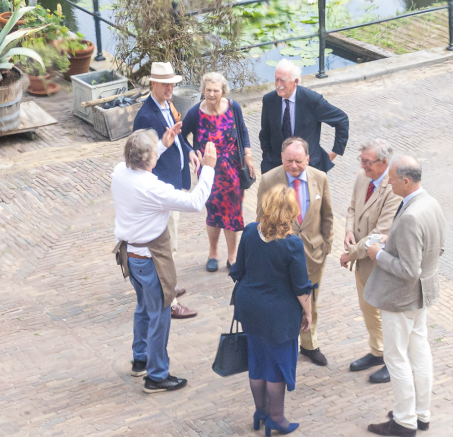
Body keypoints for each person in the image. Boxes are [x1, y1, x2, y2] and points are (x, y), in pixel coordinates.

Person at [111, 128, 216, 392]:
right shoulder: (152, 189)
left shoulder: (119, 172)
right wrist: (208, 169)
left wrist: (163, 145)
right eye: (156, 151)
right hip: (150, 259)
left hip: (129, 255)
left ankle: (140, 359)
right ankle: (157, 376)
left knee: (143, 307)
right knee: (160, 314)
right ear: (151, 159)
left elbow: (143, 159)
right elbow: (194, 202)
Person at [363, 156, 445, 437]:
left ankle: (404, 419)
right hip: (423, 292)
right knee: (419, 352)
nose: (388, 182)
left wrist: (379, 254)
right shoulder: (430, 203)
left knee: (396, 357)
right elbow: (436, 248)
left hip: (401, 297)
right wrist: (392, 241)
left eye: (393, 179)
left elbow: (408, 270)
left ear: (407, 181)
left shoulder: (410, 215)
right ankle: (421, 414)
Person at [230, 184, 313, 436]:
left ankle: (261, 413)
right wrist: (308, 313)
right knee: (277, 365)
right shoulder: (292, 244)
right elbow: (301, 288)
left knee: (257, 360)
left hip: (250, 308)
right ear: (292, 212)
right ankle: (277, 418)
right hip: (279, 314)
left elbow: (237, 271)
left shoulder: (250, 232)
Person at [254, 139, 335, 366]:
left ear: (307, 159)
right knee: (284, 301)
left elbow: (328, 215)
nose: (294, 165)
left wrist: (327, 245)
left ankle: (309, 345)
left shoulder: (320, 178)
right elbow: (260, 219)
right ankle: (282, 345)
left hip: (313, 254)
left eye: (299, 161)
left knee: (311, 301)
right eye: (289, 160)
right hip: (280, 256)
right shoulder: (269, 180)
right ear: (282, 158)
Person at [132, 60, 195, 318]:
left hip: (175, 183)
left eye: (172, 84)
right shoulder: (146, 116)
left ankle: (169, 284)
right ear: (154, 84)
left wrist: (189, 152)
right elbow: (142, 158)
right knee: (163, 246)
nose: (170, 88)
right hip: (161, 190)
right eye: (166, 84)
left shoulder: (167, 106)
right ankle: (167, 300)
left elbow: (177, 137)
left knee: (171, 241)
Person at [341, 139, 402, 383]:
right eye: (362, 161)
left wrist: (350, 253)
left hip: (380, 261)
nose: (363, 166)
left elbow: (380, 232)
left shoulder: (393, 189)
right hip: (362, 259)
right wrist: (347, 230)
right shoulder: (361, 177)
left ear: (384, 163)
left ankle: (392, 360)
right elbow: (352, 209)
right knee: (367, 307)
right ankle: (378, 351)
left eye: (368, 162)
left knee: (385, 313)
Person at [181, 71, 253, 273]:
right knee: (213, 211)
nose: (211, 94)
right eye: (208, 90)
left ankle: (232, 255)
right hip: (209, 170)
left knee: (232, 212)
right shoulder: (195, 112)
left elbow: (243, 131)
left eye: (215, 90)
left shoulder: (233, 108)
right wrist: (191, 153)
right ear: (203, 90)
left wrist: (248, 154)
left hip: (232, 169)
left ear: (223, 91)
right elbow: (181, 136)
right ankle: (213, 252)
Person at [259, 59, 349, 175]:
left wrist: (335, 151)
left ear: (295, 81)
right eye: (276, 79)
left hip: (308, 168)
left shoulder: (312, 100)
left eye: (282, 81)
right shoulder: (269, 100)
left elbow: (341, 119)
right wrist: (268, 157)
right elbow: (265, 134)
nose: (278, 85)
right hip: (277, 168)